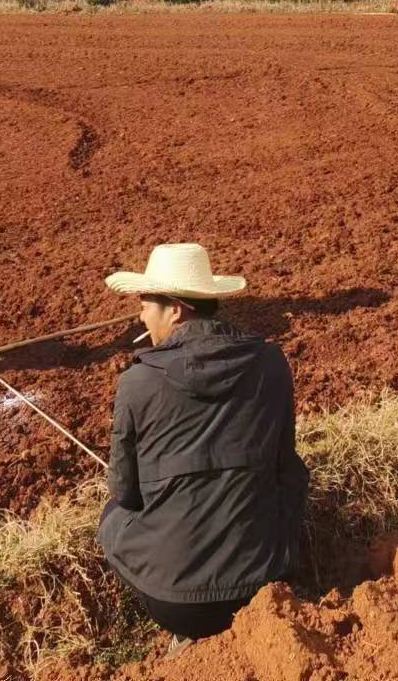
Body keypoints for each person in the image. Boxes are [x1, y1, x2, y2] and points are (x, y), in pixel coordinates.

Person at [98, 243, 308, 649]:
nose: (140, 315)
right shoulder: (271, 362)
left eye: (145, 304)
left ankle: (188, 636)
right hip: (266, 578)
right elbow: (286, 466)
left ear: (175, 310)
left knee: (111, 516)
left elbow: (125, 491)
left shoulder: (138, 383)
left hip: (174, 602)